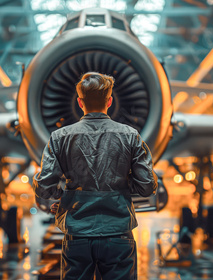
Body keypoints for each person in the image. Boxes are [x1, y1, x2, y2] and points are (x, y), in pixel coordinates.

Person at [33, 72, 158, 280]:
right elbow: (147, 185)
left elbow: (44, 186)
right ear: (109, 101)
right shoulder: (130, 136)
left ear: (80, 102)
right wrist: (120, 187)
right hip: (118, 235)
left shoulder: (59, 137)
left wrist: (66, 197)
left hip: (77, 235)